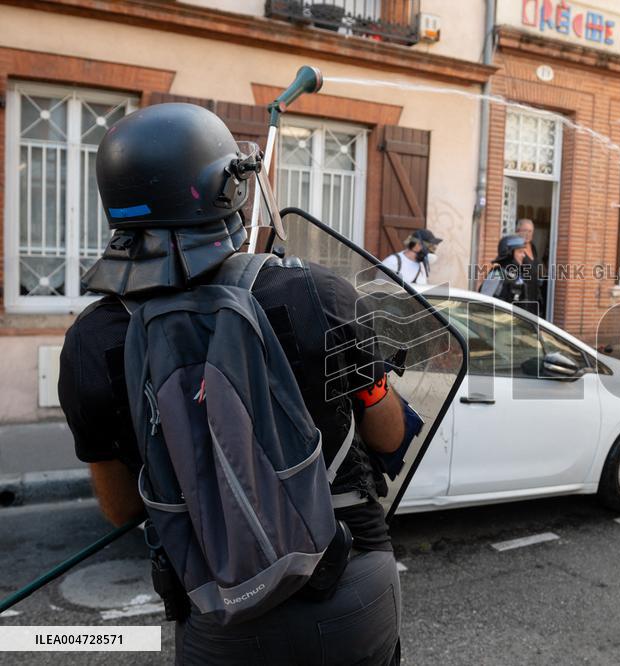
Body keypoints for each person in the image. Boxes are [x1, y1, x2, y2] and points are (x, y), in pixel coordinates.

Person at [57, 103, 408, 665]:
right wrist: (369, 384)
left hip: (219, 608)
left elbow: (121, 509)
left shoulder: (90, 342)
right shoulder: (317, 294)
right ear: (232, 188)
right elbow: (389, 437)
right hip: (351, 583)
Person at [514, 218, 546, 317]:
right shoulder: (515, 249)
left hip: (534, 296)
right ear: (517, 231)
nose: (527, 234)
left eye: (530, 231)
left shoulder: (533, 247)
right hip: (521, 297)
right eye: (525, 230)